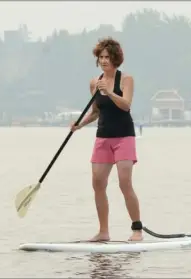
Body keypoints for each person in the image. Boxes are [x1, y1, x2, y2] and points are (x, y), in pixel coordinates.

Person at [70, 37, 143, 242]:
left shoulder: (126, 79)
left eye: (108, 57)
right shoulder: (94, 82)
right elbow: (95, 112)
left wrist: (109, 92)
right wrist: (80, 124)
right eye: (101, 57)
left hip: (124, 137)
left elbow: (126, 105)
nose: (104, 61)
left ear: (115, 59)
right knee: (98, 183)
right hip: (103, 138)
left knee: (124, 182)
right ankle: (103, 232)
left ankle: (137, 230)